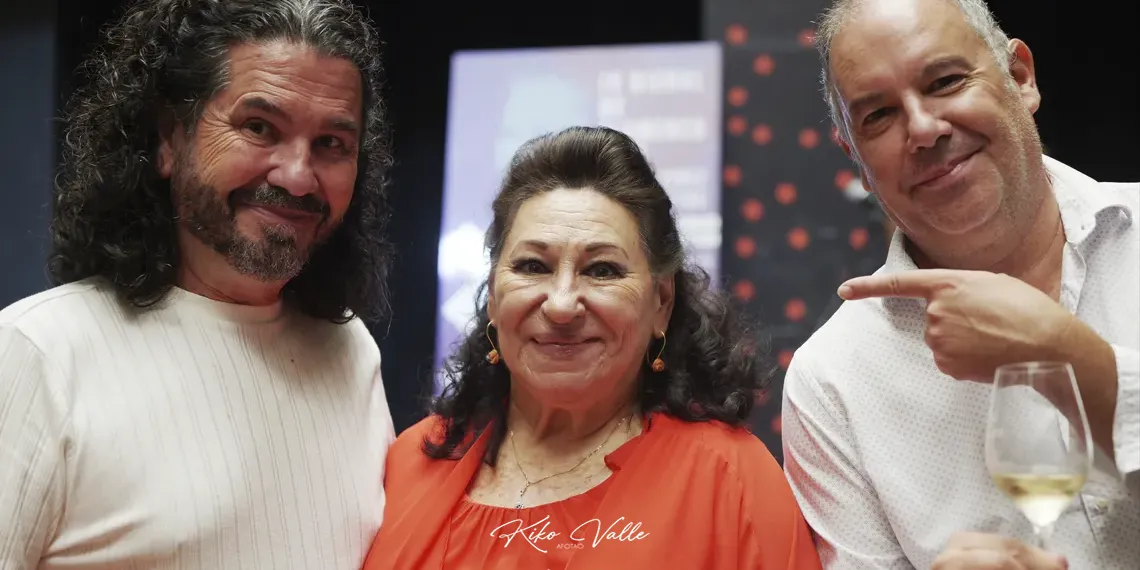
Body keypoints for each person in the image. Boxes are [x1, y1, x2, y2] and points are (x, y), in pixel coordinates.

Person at [0, 0, 396, 568]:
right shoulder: (37, 353)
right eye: (260, 127)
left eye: (332, 144)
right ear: (169, 139)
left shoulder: (350, 351)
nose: (297, 175)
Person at [362, 126, 822, 570]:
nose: (561, 305)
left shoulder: (732, 480)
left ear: (661, 302)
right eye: (531, 266)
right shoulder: (409, 462)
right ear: (495, 296)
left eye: (602, 270)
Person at [782, 0, 1139, 568]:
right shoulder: (834, 381)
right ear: (856, 160)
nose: (922, 130)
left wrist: (1062, 350)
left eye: (946, 81)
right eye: (878, 116)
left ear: (1020, 77)